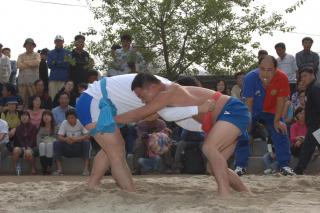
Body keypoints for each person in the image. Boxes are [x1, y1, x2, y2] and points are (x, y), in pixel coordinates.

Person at [114, 73, 251, 197]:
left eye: (141, 96)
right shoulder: (167, 98)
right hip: (223, 120)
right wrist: (117, 120)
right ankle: (245, 192)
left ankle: (224, 193)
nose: (143, 101)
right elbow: (147, 116)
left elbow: (140, 113)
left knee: (209, 148)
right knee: (213, 167)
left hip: (232, 110)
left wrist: (110, 118)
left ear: (152, 87)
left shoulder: (168, 92)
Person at [76, 74, 213, 192]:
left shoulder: (160, 86)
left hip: (97, 101)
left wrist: (205, 124)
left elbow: (153, 115)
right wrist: (199, 110)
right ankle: (129, 192)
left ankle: (92, 185)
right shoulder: (163, 91)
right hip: (94, 102)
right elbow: (144, 115)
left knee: (110, 150)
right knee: (116, 151)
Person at [242, 55, 295, 176]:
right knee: (243, 131)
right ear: (258, 68)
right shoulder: (250, 77)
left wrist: (277, 121)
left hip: (272, 110)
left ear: (276, 69)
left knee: (281, 130)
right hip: (254, 109)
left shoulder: (282, 77)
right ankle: (240, 166)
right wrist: (248, 122)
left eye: (269, 69)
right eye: (262, 69)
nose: (265, 73)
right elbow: (248, 102)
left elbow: (281, 100)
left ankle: (284, 166)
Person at [294, 67, 320, 174]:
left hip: (316, 124)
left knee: (307, 148)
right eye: (301, 77)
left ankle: (298, 170)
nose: (303, 79)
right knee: (308, 148)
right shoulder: (311, 89)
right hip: (314, 124)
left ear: (312, 74)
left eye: (305, 76)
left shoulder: (314, 88)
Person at [53, 109, 91, 176]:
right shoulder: (64, 123)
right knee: (57, 143)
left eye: (72, 118)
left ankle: (86, 169)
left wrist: (77, 139)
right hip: (68, 147)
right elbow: (59, 136)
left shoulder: (80, 122)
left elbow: (88, 135)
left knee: (86, 143)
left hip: (78, 147)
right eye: (68, 118)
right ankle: (59, 170)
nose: (70, 120)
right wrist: (65, 139)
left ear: (76, 117)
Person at [17, 38, 41, 108]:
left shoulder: (37, 55)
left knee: (34, 100)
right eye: (28, 45)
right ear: (25, 46)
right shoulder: (20, 55)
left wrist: (24, 62)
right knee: (22, 101)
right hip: (22, 82)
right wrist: (30, 63)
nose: (29, 46)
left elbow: (36, 63)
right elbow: (18, 65)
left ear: (33, 46)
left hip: (33, 82)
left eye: (31, 45)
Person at [12, 111, 38, 175]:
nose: (24, 117)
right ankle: (15, 168)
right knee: (16, 150)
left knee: (28, 152)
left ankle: (33, 168)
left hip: (32, 146)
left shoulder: (33, 127)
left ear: (29, 117)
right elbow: (19, 140)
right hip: (21, 146)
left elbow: (33, 139)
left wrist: (27, 147)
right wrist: (23, 147)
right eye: (22, 116)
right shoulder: (18, 128)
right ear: (20, 118)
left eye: (26, 116)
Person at [47, 35, 71, 99]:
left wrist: (55, 62)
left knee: (64, 97)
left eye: (60, 41)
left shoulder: (68, 52)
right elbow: (49, 65)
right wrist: (61, 62)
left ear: (63, 42)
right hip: (53, 78)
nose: (58, 42)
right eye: (57, 41)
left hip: (64, 78)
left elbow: (67, 64)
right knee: (52, 97)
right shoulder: (50, 53)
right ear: (54, 42)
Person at [37, 110, 56, 175]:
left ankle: (49, 166)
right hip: (43, 145)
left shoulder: (56, 127)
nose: (46, 117)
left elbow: (58, 138)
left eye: (48, 115)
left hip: (52, 145)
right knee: (42, 145)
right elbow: (38, 139)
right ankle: (44, 167)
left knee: (49, 145)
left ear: (51, 117)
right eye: (44, 115)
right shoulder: (41, 128)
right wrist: (43, 141)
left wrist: (49, 140)